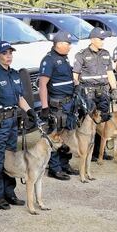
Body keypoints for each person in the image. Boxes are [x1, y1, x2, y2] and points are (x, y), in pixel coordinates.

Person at [0, 41, 38, 210]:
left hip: (13, 121)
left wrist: (29, 111)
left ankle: (9, 192)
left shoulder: (15, 74)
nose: (8, 56)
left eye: (10, 53)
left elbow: (19, 98)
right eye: (5, 53)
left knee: (10, 158)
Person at [38, 30, 78, 180]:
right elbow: (42, 85)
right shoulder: (49, 60)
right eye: (68, 44)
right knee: (55, 135)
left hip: (69, 104)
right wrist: (44, 107)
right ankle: (54, 168)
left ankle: (64, 164)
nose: (70, 46)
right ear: (59, 44)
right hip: (57, 106)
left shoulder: (64, 58)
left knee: (67, 135)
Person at [73, 28, 117, 161]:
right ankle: (85, 151)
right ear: (92, 39)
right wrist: (78, 91)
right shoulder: (81, 55)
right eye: (100, 39)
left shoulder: (106, 54)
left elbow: (110, 73)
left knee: (102, 121)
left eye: (104, 39)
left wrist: (114, 88)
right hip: (88, 93)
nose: (103, 41)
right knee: (87, 122)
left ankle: (99, 151)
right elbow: (75, 75)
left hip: (103, 92)